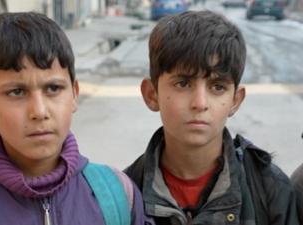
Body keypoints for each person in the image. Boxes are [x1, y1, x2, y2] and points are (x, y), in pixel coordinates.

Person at [0, 12, 147, 225]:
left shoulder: (119, 196)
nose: (39, 111)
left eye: (53, 88)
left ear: (74, 94)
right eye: (16, 92)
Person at [125, 10, 299, 225]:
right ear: (152, 94)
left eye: (217, 87)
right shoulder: (125, 196)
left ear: (235, 100)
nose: (200, 103)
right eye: (183, 84)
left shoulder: (269, 190)